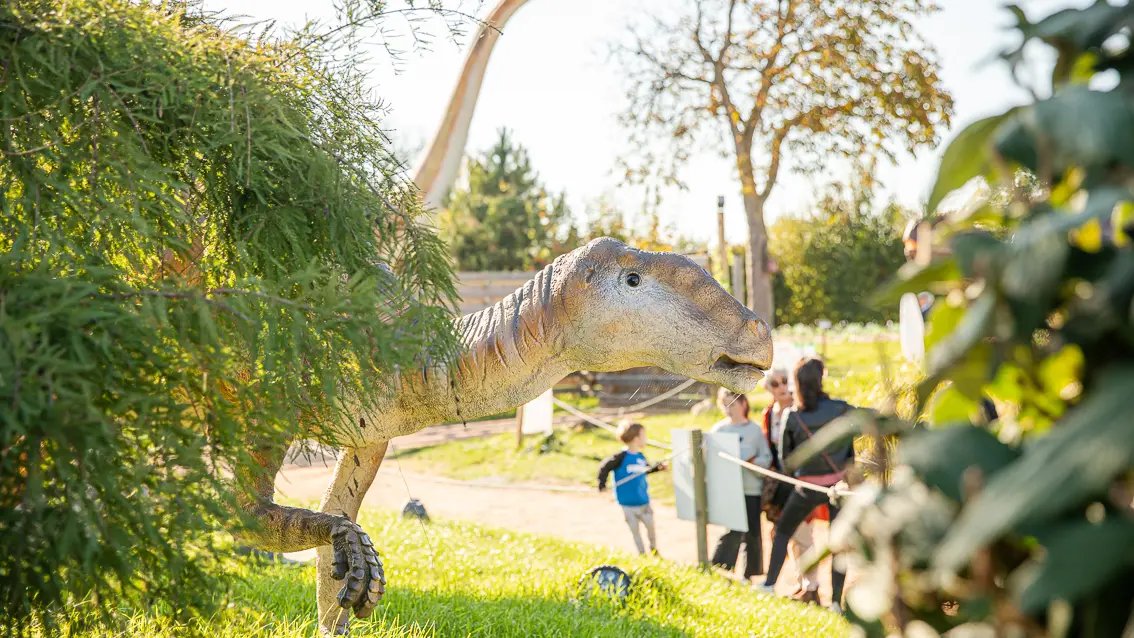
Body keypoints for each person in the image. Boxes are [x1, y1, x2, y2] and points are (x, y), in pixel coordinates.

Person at [756, 357, 857, 613]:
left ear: (797, 383)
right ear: (821, 378)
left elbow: (786, 462)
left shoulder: (793, 415)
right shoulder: (841, 408)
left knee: (782, 533)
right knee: (838, 544)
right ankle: (835, 602)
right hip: (837, 488)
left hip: (806, 487)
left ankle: (769, 585)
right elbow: (852, 446)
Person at [758, 370, 822, 604]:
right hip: (779, 484)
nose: (782, 386)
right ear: (769, 388)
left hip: (801, 480)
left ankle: (812, 586)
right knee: (782, 534)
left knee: (803, 534)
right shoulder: (768, 414)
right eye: (776, 383)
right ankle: (799, 583)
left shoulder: (801, 410)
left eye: (785, 381)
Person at [710, 388, 772, 582]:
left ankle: (750, 573)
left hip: (750, 488)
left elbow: (766, 456)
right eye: (725, 404)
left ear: (743, 403)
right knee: (732, 529)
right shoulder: (719, 430)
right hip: (730, 489)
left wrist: (752, 463)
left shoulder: (754, 430)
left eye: (733, 403)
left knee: (753, 531)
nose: (729, 409)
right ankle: (721, 568)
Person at [597, 421, 667, 555]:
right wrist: (602, 485)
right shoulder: (620, 457)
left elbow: (646, 470)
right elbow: (604, 467)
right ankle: (642, 553)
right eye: (643, 436)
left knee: (650, 527)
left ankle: (653, 549)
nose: (646, 439)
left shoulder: (640, 457)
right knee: (635, 531)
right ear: (636, 438)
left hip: (643, 501)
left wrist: (658, 468)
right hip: (627, 504)